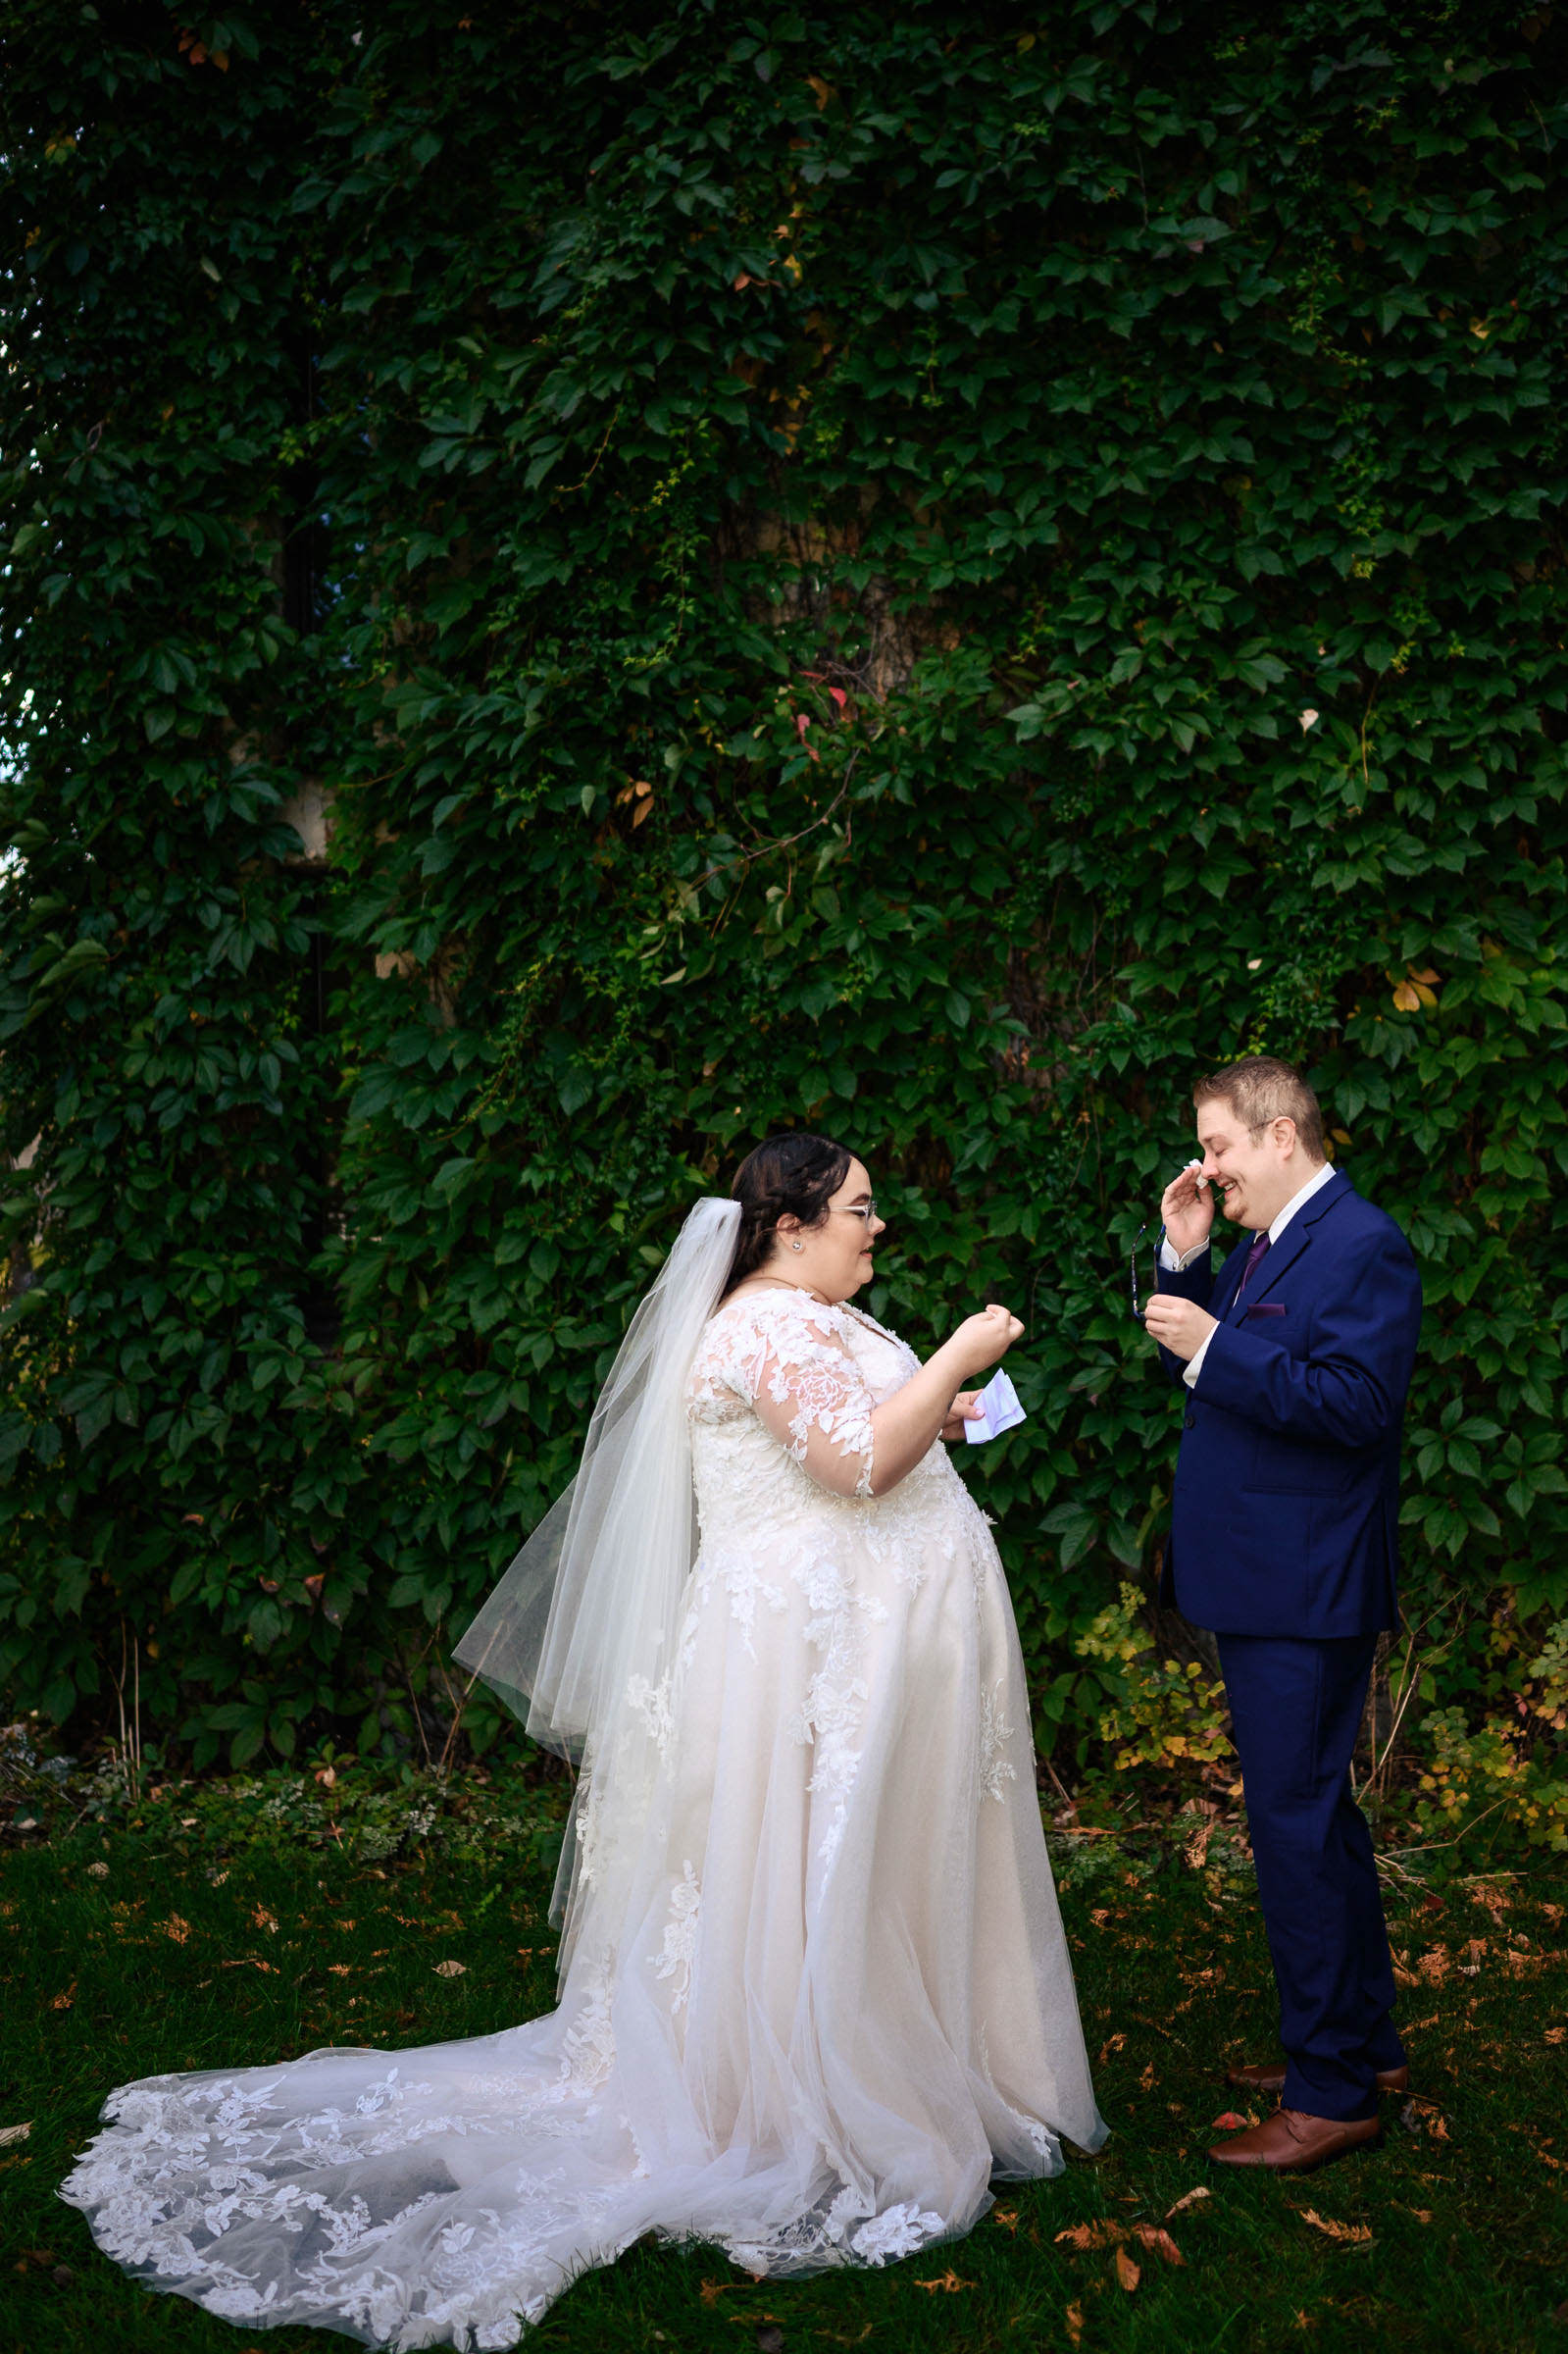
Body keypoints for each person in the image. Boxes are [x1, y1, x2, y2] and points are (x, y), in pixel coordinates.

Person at [62, 1132, 1103, 2347]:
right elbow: (857, 1463)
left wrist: (951, 1401)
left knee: (867, 1859)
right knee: (803, 1863)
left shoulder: (826, 1319)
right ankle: (801, 2085)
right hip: (799, 1664)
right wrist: (963, 1354)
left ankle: (908, 2040)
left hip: (855, 1657)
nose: (880, 1228)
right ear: (790, 1225)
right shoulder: (764, 1324)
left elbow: (884, 1427)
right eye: (861, 1209)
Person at [1142, 1055, 1421, 2175]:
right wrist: (1186, 1262)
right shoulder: (1265, 1240)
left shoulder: (1362, 1244)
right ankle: (1367, 2047)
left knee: (1294, 1833)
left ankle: (1330, 2093)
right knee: (1320, 1821)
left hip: (1305, 1588)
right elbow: (1207, 1364)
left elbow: (1355, 1406)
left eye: (1217, 1147)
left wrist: (1213, 1345)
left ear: (1280, 1135)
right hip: (1266, 1577)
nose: (1206, 1166)